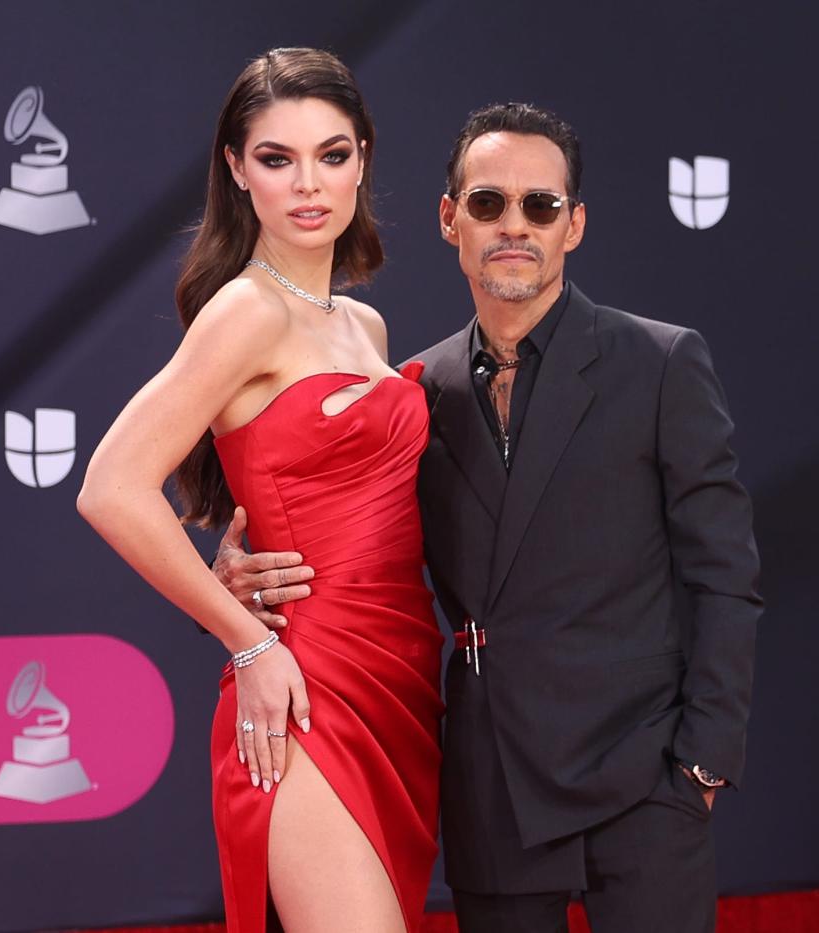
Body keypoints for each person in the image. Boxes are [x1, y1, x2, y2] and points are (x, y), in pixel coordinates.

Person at [214, 102, 762, 933]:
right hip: (492, 780)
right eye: (487, 204)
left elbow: (725, 575)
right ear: (449, 219)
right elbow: (358, 536)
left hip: (645, 776)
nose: (515, 226)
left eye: (540, 206)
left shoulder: (659, 364)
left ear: (573, 225)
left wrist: (704, 762)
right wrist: (241, 583)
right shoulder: (415, 390)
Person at [77, 48, 443, 933]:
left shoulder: (362, 321)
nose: (308, 183)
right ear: (238, 171)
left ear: (364, 157)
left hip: (400, 676)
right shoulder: (246, 311)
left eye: (333, 154)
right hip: (305, 687)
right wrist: (247, 641)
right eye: (277, 159)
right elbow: (111, 486)